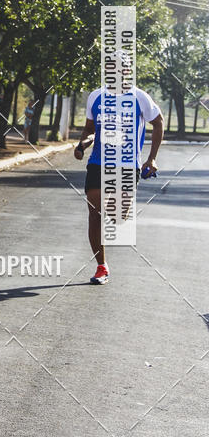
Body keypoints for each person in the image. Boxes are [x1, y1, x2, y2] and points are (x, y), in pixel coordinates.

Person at [74, 81, 163, 284]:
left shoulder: (140, 97)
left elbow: (158, 122)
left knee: (118, 216)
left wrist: (152, 158)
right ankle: (101, 267)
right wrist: (82, 145)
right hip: (98, 162)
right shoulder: (95, 96)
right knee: (94, 214)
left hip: (127, 164)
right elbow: (89, 129)